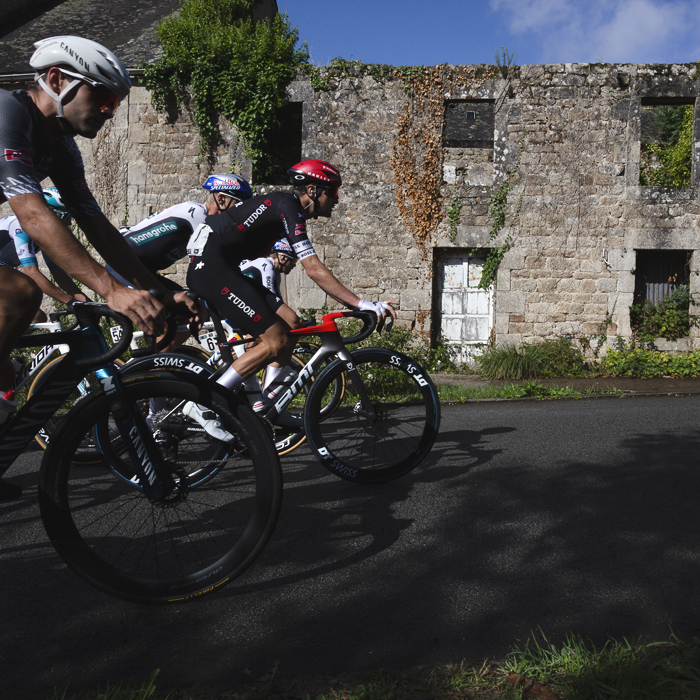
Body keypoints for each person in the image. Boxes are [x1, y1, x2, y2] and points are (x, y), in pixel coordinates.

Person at [0, 36, 202, 499]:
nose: (111, 110)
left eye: (117, 102)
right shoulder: (7, 113)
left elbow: (100, 228)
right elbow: (32, 215)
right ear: (56, 80)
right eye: (103, 96)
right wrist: (111, 291)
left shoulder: (61, 149)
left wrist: (158, 288)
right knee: (19, 292)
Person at [185, 159, 397, 441]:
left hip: (221, 268)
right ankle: (204, 403)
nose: (336, 199)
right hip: (212, 270)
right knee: (276, 341)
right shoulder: (288, 205)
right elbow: (313, 268)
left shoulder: (285, 209)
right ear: (312, 189)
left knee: (292, 323)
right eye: (331, 192)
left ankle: (267, 403)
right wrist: (361, 304)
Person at [107, 173, 253, 291]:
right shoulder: (197, 214)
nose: (240, 213)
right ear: (221, 200)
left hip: (140, 270)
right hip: (122, 266)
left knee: (188, 305)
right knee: (180, 309)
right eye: (239, 205)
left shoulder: (202, 218)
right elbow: (217, 259)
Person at [0, 189, 90, 323]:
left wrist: (87, 304)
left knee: (36, 318)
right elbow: (31, 273)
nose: (69, 223)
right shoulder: (21, 225)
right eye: (64, 216)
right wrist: (70, 301)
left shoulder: (44, 235)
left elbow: (59, 274)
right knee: (34, 315)